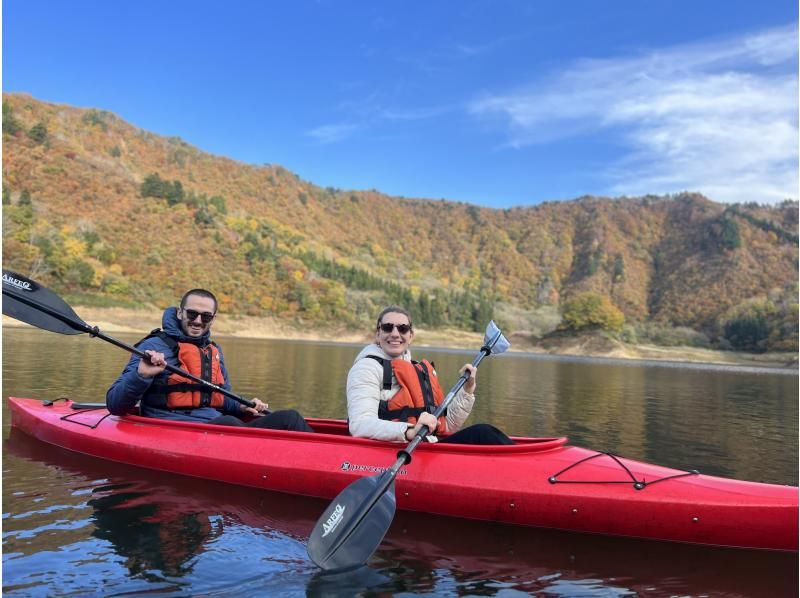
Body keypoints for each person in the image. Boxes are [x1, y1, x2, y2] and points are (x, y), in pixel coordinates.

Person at [106, 288, 312, 431]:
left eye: (205, 316)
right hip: (172, 429)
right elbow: (115, 405)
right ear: (180, 312)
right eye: (192, 314)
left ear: (213, 318)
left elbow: (222, 398)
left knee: (290, 418)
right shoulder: (153, 347)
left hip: (216, 427)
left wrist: (243, 406)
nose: (197, 321)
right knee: (230, 423)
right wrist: (141, 375)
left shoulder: (213, 350)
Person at [346, 305, 513, 444]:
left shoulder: (418, 369)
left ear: (410, 336)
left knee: (484, 433)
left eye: (403, 329)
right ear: (378, 334)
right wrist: (410, 431)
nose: (395, 334)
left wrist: (467, 390)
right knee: (483, 434)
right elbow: (360, 424)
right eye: (387, 327)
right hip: (397, 449)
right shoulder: (367, 368)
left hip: (427, 446)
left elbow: (447, 427)